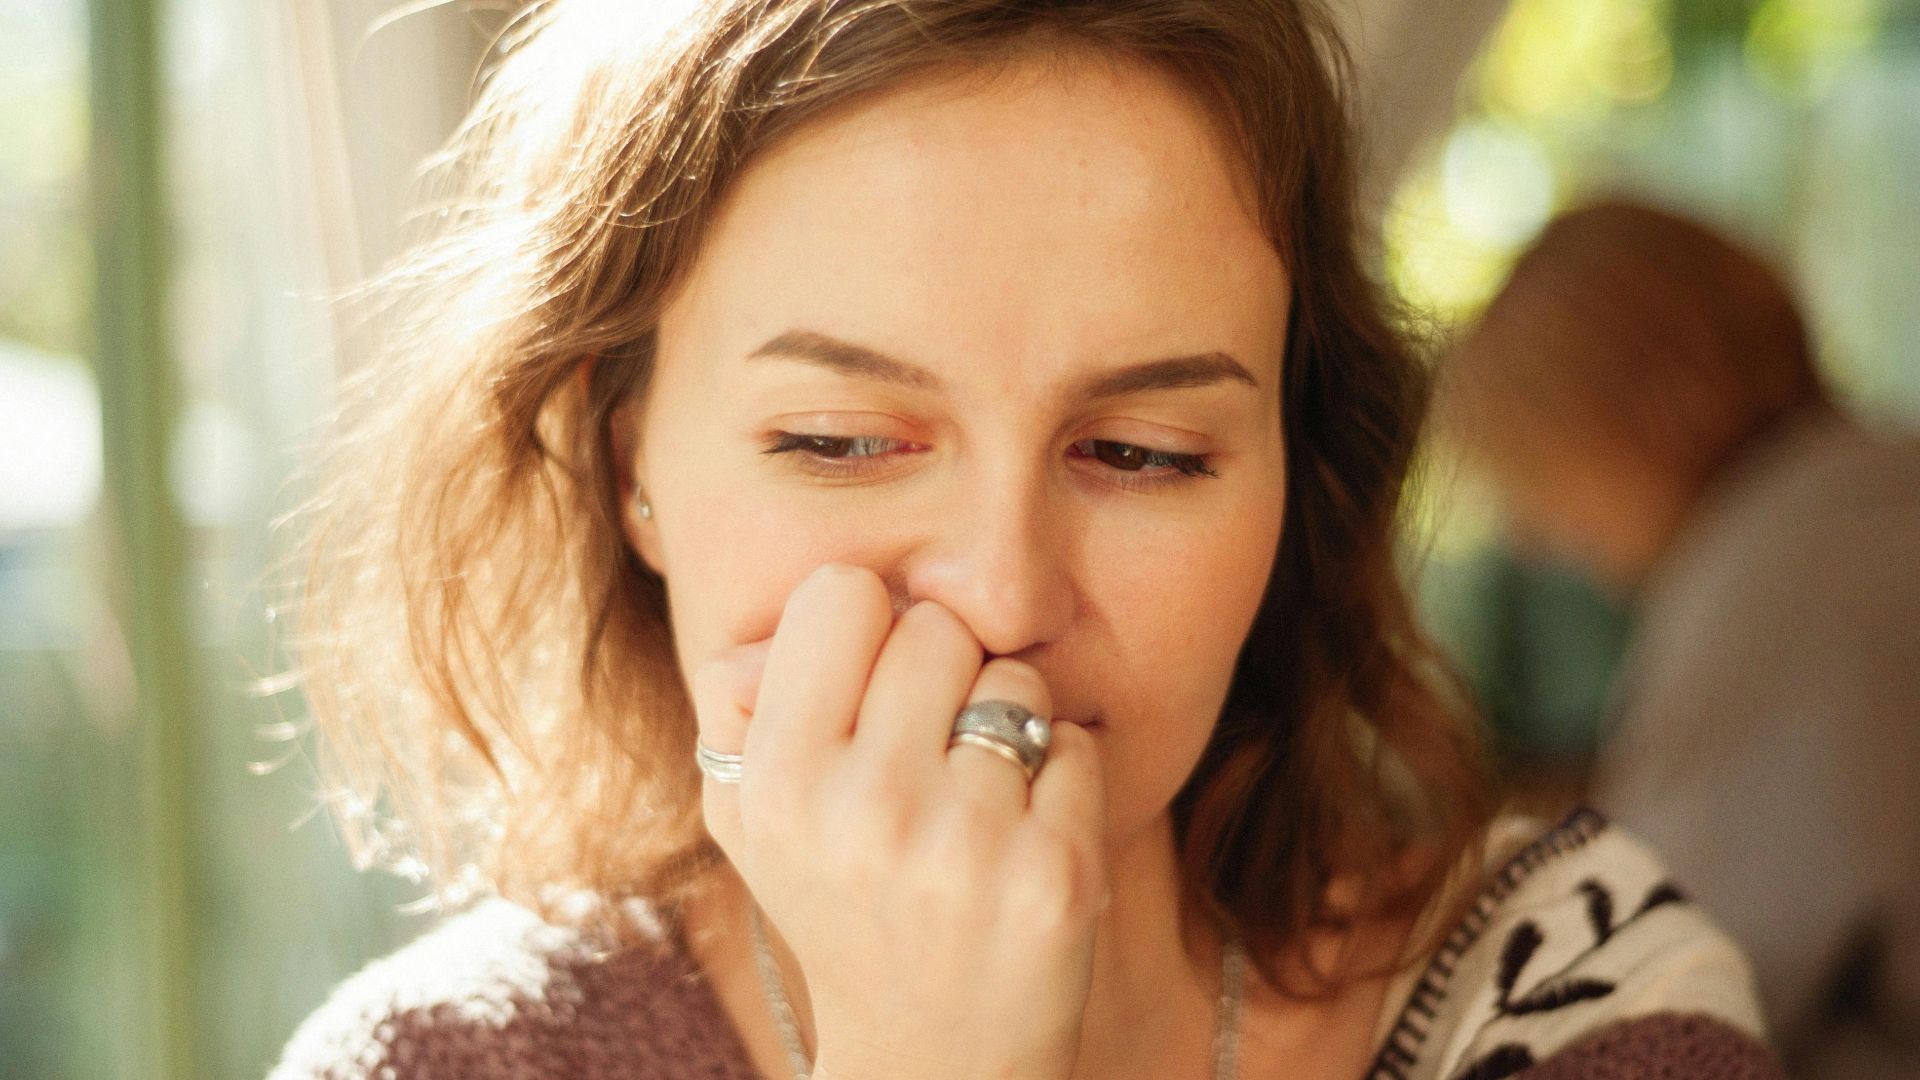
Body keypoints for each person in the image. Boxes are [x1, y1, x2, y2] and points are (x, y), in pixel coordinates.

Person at [269, 5, 1782, 1078]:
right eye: (842, 442)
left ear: (1297, 488)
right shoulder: (444, 1067)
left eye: (1142, 454)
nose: (1001, 592)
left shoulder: (1579, 1002)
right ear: (630, 472)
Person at [1444, 198, 1920, 1078]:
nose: (1539, 531)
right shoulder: (1873, 484)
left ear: (1636, 407)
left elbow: (1652, 978)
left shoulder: (1779, 580)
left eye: (1538, 465)